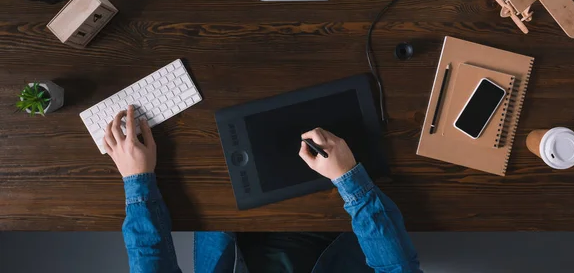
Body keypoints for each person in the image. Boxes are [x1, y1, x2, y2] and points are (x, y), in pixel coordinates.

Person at [104, 105, 422, 273]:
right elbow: (398, 268)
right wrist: (349, 178)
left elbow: (151, 261)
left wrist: (137, 180)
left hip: (230, 215)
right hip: (337, 220)